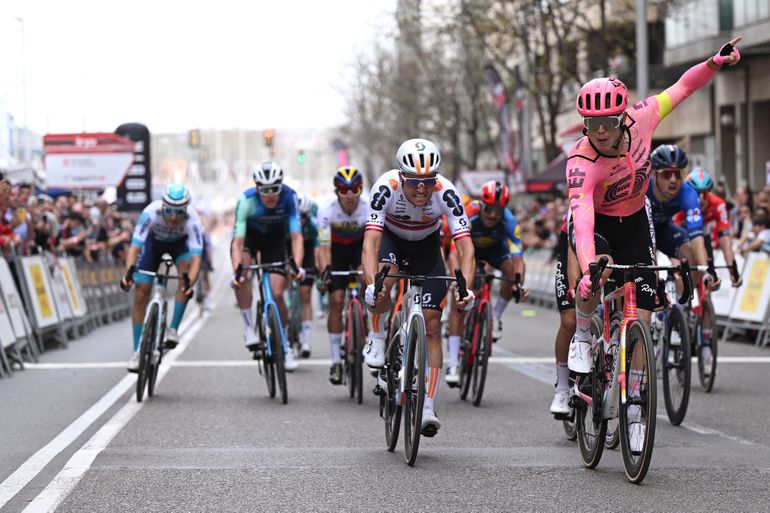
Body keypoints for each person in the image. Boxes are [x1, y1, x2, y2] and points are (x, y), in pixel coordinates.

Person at [567, 38, 741, 452]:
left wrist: (714, 62)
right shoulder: (581, 160)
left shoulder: (643, 117)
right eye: (591, 125)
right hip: (600, 224)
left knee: (641, 321)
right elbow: (583, 218)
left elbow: (682, 87)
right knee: (594, 280)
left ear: (622, 115)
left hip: (635, 224)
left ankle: (633, 407)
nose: (601, 132)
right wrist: (590, 265)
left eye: (607, 121)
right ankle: (584, 331)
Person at [363, 138, 476, 436]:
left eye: (428, 180)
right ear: (401, 176)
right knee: (383, 283)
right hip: (392, 242)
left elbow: (466, 247)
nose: (422, 188)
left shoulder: (447, 192)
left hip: (427, 248)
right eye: (414, 182)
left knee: (433, 324)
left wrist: (466, 289)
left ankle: (427, 405)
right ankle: (376, 335)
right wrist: (370, 285)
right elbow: (370, 243)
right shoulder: (385, 187)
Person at [444, 180, 527, 386]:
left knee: (510, 273)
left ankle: (496, 316)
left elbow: (518, 259)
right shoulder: (468, 213)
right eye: (488, 209)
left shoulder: (509, 221)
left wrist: (519, 284)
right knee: (460, 297)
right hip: (467, 249)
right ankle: (453, 362)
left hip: (494, 251)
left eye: (498, 211)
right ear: (481, 204)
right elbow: (455, 252)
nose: (492, 216)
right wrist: (457, 281)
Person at [120, 184, 203, 372]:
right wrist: (128, 275)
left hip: (179, 247)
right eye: (169, 211)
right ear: (162, 205)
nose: (173, 217)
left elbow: (197, 259)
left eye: (179, 212)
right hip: (153, 245)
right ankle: (136, 351)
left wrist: (189, 283)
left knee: (186, 275)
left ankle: (173, 330)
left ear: (186, 210)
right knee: (141, 292)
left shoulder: (193, 220)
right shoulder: (150, 213)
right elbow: (134, 248)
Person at [230, 162, 304, 372]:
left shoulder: (290, 197)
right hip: (250, 239)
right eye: (264, 189)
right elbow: (237, 242)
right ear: (256, 188)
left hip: (275, 240)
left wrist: (297, 267)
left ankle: (285, 344)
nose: (270, 194)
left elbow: (297, 237)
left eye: (274, 188)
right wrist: (237, 270)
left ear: (281, 186)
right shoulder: (246, 200)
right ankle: (248, 329)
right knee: (242, 275)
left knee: (278, 293)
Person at [316, 166, 368, 385]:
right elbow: (323, 249)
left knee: (369, 281)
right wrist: (325, 272)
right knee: (336, 300)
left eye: (354, 189)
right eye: (343, 190)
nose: (349, 195)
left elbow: (371, 246)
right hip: (335, 252)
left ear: (360, 189)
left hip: (359, 249)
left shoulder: (368, 209)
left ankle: (365, 312)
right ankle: (336, 361)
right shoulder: (326, 210)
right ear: (336, 191)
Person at [549, 214, 579, 416]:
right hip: (573, 250)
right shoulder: (581, 197)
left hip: (610, 245)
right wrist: (575, 286)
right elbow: (572, 250)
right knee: (569, 322)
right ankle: (561, 387)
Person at [294, 193, 320, 357]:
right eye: (298, 216)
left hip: (308, 250)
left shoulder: (312, 225)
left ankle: (306, 340)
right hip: (289, 248)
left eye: (303, 216)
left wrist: (318, 268)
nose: (300, 220)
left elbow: (318, 248)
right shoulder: (288, 224)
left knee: (305, 294)